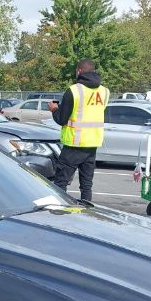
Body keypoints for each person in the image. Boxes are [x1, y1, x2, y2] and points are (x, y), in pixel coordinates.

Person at [47, 59, 110, 201]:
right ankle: (87, 214)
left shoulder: (74, 90)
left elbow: (61, 119)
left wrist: (54, 109)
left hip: (74, 145)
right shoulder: (104, 92)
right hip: (92, 144)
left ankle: (60, 211)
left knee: (61, 183)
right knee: (86, 185)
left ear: (79, 71)